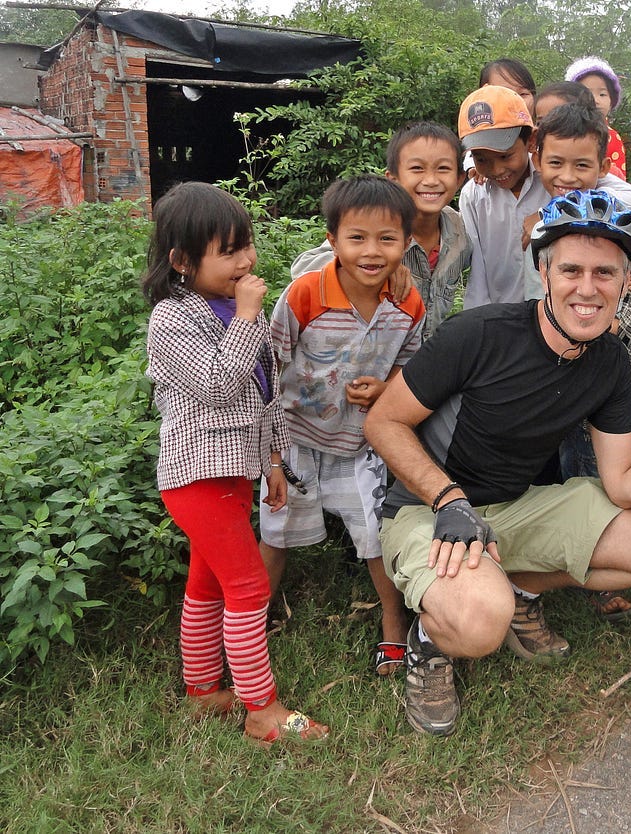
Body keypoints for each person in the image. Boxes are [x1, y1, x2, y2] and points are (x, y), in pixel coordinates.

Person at [364, 189, 631, 736]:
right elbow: (382, 422)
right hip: (426, 509)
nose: (588, 288)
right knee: (480, 624)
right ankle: (429, 642)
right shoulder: (478, 334)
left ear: (626, 283)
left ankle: (515, 586)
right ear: (543, 272)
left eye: (606, 272)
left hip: (515, 507)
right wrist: (447, 499)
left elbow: (622, 482)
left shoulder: (608, 361)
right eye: (571, 269)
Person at [142, 181, 328, 745]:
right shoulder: (173, 320)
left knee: (206, 583)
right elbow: (221, 386)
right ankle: (261, 709)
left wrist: (273, 460)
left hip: (233, 475)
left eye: (246, 244)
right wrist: (248, 315)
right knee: (248, 587)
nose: (247, 260)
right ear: (180, 261)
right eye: (228, 251)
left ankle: (203, 692)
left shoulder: (228, 307)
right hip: (196, 480)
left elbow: (261, 392)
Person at [259, 176, 425, 677]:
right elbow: (268, 368)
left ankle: (393, 626)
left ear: (406, 243)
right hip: (295, 441)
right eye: (357, 238)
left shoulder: (408, 305)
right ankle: (255, 617)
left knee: (378, 535)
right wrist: (268, 457)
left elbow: (411, 367)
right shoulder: (305, 295)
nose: (372, 252)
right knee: (275, 531)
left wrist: (385, 388)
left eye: (387, 239)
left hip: (360, 442)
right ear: (332, 240)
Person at [528, 102, 631, 621]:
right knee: (580, 453)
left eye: (582, 166)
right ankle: (596, 553)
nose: (568, 177)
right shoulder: (543, 222)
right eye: (556, 164)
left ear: (603, 165)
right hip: (575, 366)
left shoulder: (628, 211)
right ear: (537, 160)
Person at [290, 122, 471, 340]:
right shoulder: (376, 223)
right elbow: (304, 269)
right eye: (417, 169)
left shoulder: (460, 229)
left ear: (460, 179)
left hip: (423, 362)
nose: (431, 180)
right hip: (369, 360)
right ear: (393, 179)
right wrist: (384, 266)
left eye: (443, 168)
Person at [457, 85, 548, 307]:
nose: (496, 170)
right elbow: (477, 268)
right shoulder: (474, 195)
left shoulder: (554, 186)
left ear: (531, 140)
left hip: (553, 317)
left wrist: (552, 214)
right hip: (500, 316)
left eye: (506, 156)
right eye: (482, 159)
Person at [564, 56, 627, 180]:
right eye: (587, 93)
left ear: (611, 101)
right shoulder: (560, 132)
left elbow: (619, 182)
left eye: (602, 94)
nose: (595, 100)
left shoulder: (612, 137)